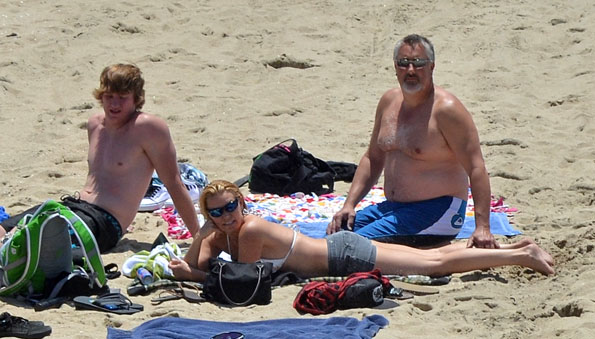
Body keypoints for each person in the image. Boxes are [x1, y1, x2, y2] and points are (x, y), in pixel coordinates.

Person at [169, 180, 554, 282]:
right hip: (338, 253)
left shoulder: (249, 230)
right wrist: (202, 235)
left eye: (231, 206)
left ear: (243, 203)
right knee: (430, 259)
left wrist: (196, 271)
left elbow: (240, 278)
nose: (226, 216)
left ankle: (520, 256)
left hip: (344, 254)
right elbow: (194, 263)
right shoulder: (223, 231)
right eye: (216, 212)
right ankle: (516, 249)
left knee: (433, 264)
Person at [326, 34, 501, 249]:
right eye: (403, 63)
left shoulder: (446, 110)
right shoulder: (389, 101)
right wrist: (349, 204)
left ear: (432, 67)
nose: (410, 70)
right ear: (395, 67)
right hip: (394, 207)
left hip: (439, 210)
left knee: (345, 247)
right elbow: (373, 156)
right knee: (333, 235)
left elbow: (476, 167)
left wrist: (482, 227)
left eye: (418, 63)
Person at [1, 63, 200, 251]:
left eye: (122, 97)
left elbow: (174, 184)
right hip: (72, 206)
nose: (114, 104)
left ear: (136, 98)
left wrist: (198, 238)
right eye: (108, 96)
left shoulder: (147, 128)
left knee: (29, 242)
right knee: (4, 229)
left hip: (105, 222)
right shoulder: (95, 124)